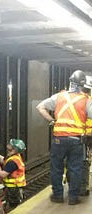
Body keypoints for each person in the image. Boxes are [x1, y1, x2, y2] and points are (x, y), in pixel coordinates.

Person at [36, 70, 92, 205]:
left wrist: (52, 121)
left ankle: (58, 196)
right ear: (83, 85)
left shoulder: (59, 97)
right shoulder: (86, 100)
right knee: (75, 168)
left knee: (56, 168)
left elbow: (40, 107)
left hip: (58, 139)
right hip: (76, 140)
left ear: (70, 82)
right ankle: (73, 198)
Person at [0, 139, 26, 208]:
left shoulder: (12, 162)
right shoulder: (15, 156)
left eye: (10, 145)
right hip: (14, 188)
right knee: (10, 205)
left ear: (14, 149)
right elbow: (3, 160)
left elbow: (3, 174)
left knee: (12, 207)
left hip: (14, 189)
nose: (8, 145)